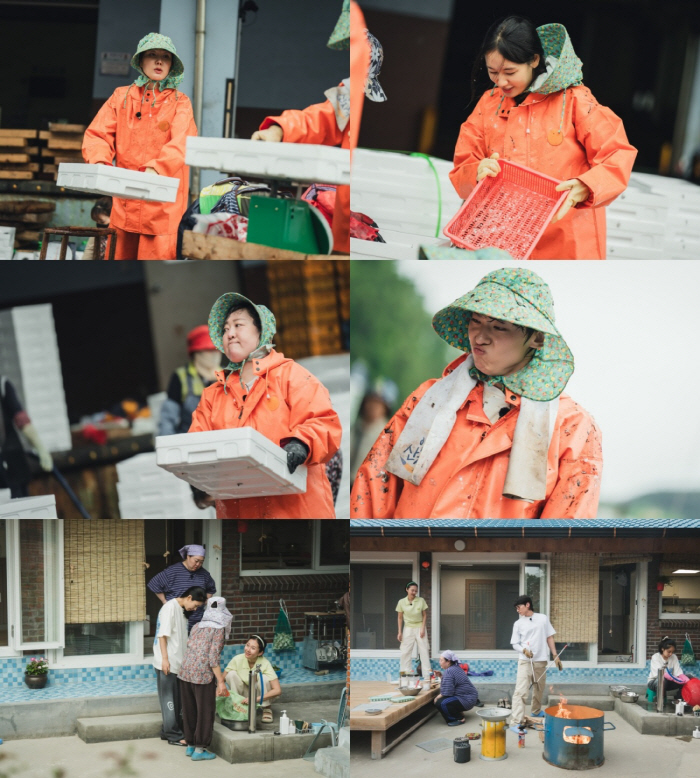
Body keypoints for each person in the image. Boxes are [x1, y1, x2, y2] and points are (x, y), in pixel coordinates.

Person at [351, 267, 603, 519]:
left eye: (499, 326)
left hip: (501, 559)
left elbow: (566, 532)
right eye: (476, 321)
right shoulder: (429, 398)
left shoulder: (572, 426)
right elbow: (375, 489)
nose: (480, 337)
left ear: (537, 338)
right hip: (409, 555)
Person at [450, 17, 637, 259]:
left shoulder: (575, 99)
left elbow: (618, 153)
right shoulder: (489, 103)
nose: (501, 81)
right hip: (500, 241)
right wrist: (476, 172)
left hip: (568, 244)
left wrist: (586, 186)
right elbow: (463, 165)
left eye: (510, 72)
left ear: (534, 60)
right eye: (493, 72)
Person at [189, 292, 342, 519]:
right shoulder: (213, 395)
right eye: (225, 329)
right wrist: (198, 475)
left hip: (297, 512)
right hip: (239, 517)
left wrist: (302, 444)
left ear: (261, 330)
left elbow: (324, 422)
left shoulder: (292, 376)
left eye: (238, 325)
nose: (229, 334)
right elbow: (197, 443)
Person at [251, 2, 386, 255]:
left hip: (359, 212)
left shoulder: (355, 95)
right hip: (348, 212)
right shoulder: (348, 94)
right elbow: (318, 119)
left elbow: (320, 119)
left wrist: (279, 131)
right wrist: (279, 130)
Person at [82, 33, 197, 260]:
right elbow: (98, 134)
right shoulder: (121, 97)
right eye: (152, 55)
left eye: (165, 57)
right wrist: (100, 163)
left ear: (171, 64)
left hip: (161, 206)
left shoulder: (180, 102)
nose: (159, 61)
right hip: (124, 202)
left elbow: (183, 142)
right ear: (140, 61)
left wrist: (158, 167)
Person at [178, 597, 232, 761]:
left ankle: (190, 745)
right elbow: (213, 658)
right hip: (202, 676)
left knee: (189, 710)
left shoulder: (196, 626)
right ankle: (200, 751)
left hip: (185, 672)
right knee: (205, 712)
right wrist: (221, 681)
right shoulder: (218, 629)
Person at [152, 585, 207, 746]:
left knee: (177, 701)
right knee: (169, 700)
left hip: (178, 663)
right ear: (189, 597)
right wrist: (164, 659)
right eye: (195, 605)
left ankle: (167, 731)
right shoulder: (170, 607)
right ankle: (173, 736)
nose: (195, 609)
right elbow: (162, 636)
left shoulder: (182, 610)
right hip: (167, 662)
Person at [509, 594, 562, 734]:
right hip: (525, 662)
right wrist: (523, 650)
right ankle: (515, 722)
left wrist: (555, 655)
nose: (517, 610)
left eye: (518, 607)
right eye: (516, 608)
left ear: (527, 605)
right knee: (521, 692)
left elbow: (549, 636)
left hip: (541, 660)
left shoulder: (542, 618)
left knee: (539, 687)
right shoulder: (518, 623)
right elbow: (514, 643)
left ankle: (536, 711)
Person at [0, 376, 53, 498]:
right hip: (10, 460)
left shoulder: (3, 385)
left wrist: (41, 448)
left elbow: (21, 419)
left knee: (21, 505)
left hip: (12, 459)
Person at [147, 545, 216, 632]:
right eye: (196, 561)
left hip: (196, 621)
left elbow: (211, 588)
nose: (198, 564)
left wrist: (205, 601)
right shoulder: (173, 571)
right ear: (188, 556)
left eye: (201, 562)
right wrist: (164, 601)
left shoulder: (204, 574)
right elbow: (155, 584)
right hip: (175, 619)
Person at [224, 635, 282, 724]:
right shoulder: (237, 659)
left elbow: (277, 690)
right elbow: (222, 679)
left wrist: (255, 699)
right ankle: (237, 704)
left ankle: (266, 708)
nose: (248, 649)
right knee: (231, 674)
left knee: (265, 678)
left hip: (258, 694)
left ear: (260, 653)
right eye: (247, 645)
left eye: (253, 648)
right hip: (243, 693)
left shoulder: (265, 663)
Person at [350, 380, 397, 480]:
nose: (373, 407)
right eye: (371, 401)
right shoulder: (355, 426)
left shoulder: (388, 436)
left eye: (379, 404)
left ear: (386, 408)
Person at [434, 650, 480, 726]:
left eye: (441, 660)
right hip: (470, 698)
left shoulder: (449, 671)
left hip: (466, 699)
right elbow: (450, 684)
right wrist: (441, 676)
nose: (439, 662)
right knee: (442, 700)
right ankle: (458, 712)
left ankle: (458, 718)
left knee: (441, 703)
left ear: (448, 661)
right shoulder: (455, 668)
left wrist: (437, 697)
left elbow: (447, 691)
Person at [396, 582, 431, 681]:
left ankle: (427, 676)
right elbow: (399, 618)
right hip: (408, 628)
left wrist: (423, 628)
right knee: (405, 652)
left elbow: (424, 615)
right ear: (407, 589)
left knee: (424, 651)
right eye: (412, 590)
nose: (414, 592)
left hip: (419, 626)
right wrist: (399, 632)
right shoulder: (401, 602)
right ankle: (405, 676)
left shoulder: (421, 600)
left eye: (416, 590)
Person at [648, 637, 688, 701]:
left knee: (688, 677)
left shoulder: (674, 657)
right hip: (655, 682)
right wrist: (675, 679)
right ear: (662, 649)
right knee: (662, 680)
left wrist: (685, 679)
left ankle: (678, 698)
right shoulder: (655, 657)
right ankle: (660, 701)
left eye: (672, 652)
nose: (671, 654)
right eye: (669, 652)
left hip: (669, 682)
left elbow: (678, 672)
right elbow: (661, 673)